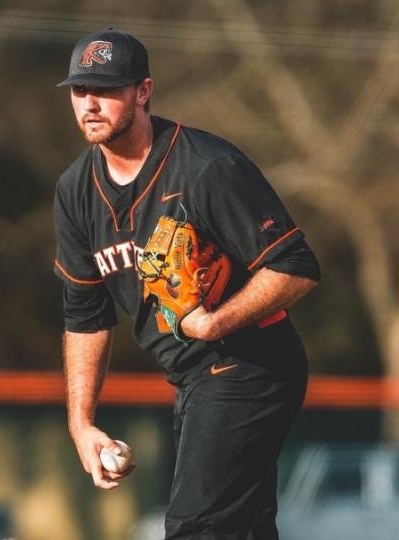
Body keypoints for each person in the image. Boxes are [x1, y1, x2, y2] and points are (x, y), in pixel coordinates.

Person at [52, 28, 321, 539]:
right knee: (242, 530)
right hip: (191, 379)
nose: (90, 103)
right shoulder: (74, 192)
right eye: (79, 90)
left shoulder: (205, 168)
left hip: (251, 364)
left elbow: (296, 266)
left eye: (106, 89)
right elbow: (84, 313)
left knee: (196, 527)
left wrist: (215, 320)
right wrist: (81, 422)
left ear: (143, 92)